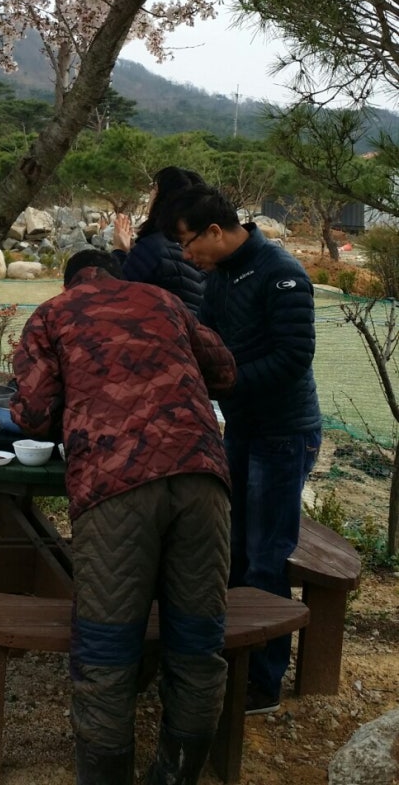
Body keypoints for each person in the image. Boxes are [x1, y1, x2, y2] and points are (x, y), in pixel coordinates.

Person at [9, 248, 236, 785]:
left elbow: (33, 414)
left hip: (116, 486)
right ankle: (175, 776)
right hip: (202, 475)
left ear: (70, 282)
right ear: (116, 274)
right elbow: (224, 371)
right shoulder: (165, 299)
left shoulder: (52, 313)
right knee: (198, 642)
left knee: (108, 651)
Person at [168, 186, 321, 715]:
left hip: (284, 433)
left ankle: (263, 681)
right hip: (243, 429)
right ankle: (229, 662)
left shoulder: (282, 273)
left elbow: (293, 357)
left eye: (189, 244)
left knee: (266, 557)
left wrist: (224, 385)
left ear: (215, 231)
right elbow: (204, 339)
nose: (187, 258)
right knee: (228, 549)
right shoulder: (221, 276)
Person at [112, 166, 207, 315]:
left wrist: (119, 251)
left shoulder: (152, 247)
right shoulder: (202, 247)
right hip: (194, 332)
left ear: (162, 198)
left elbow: (118, 295)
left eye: (154, 188)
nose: (150, 193)